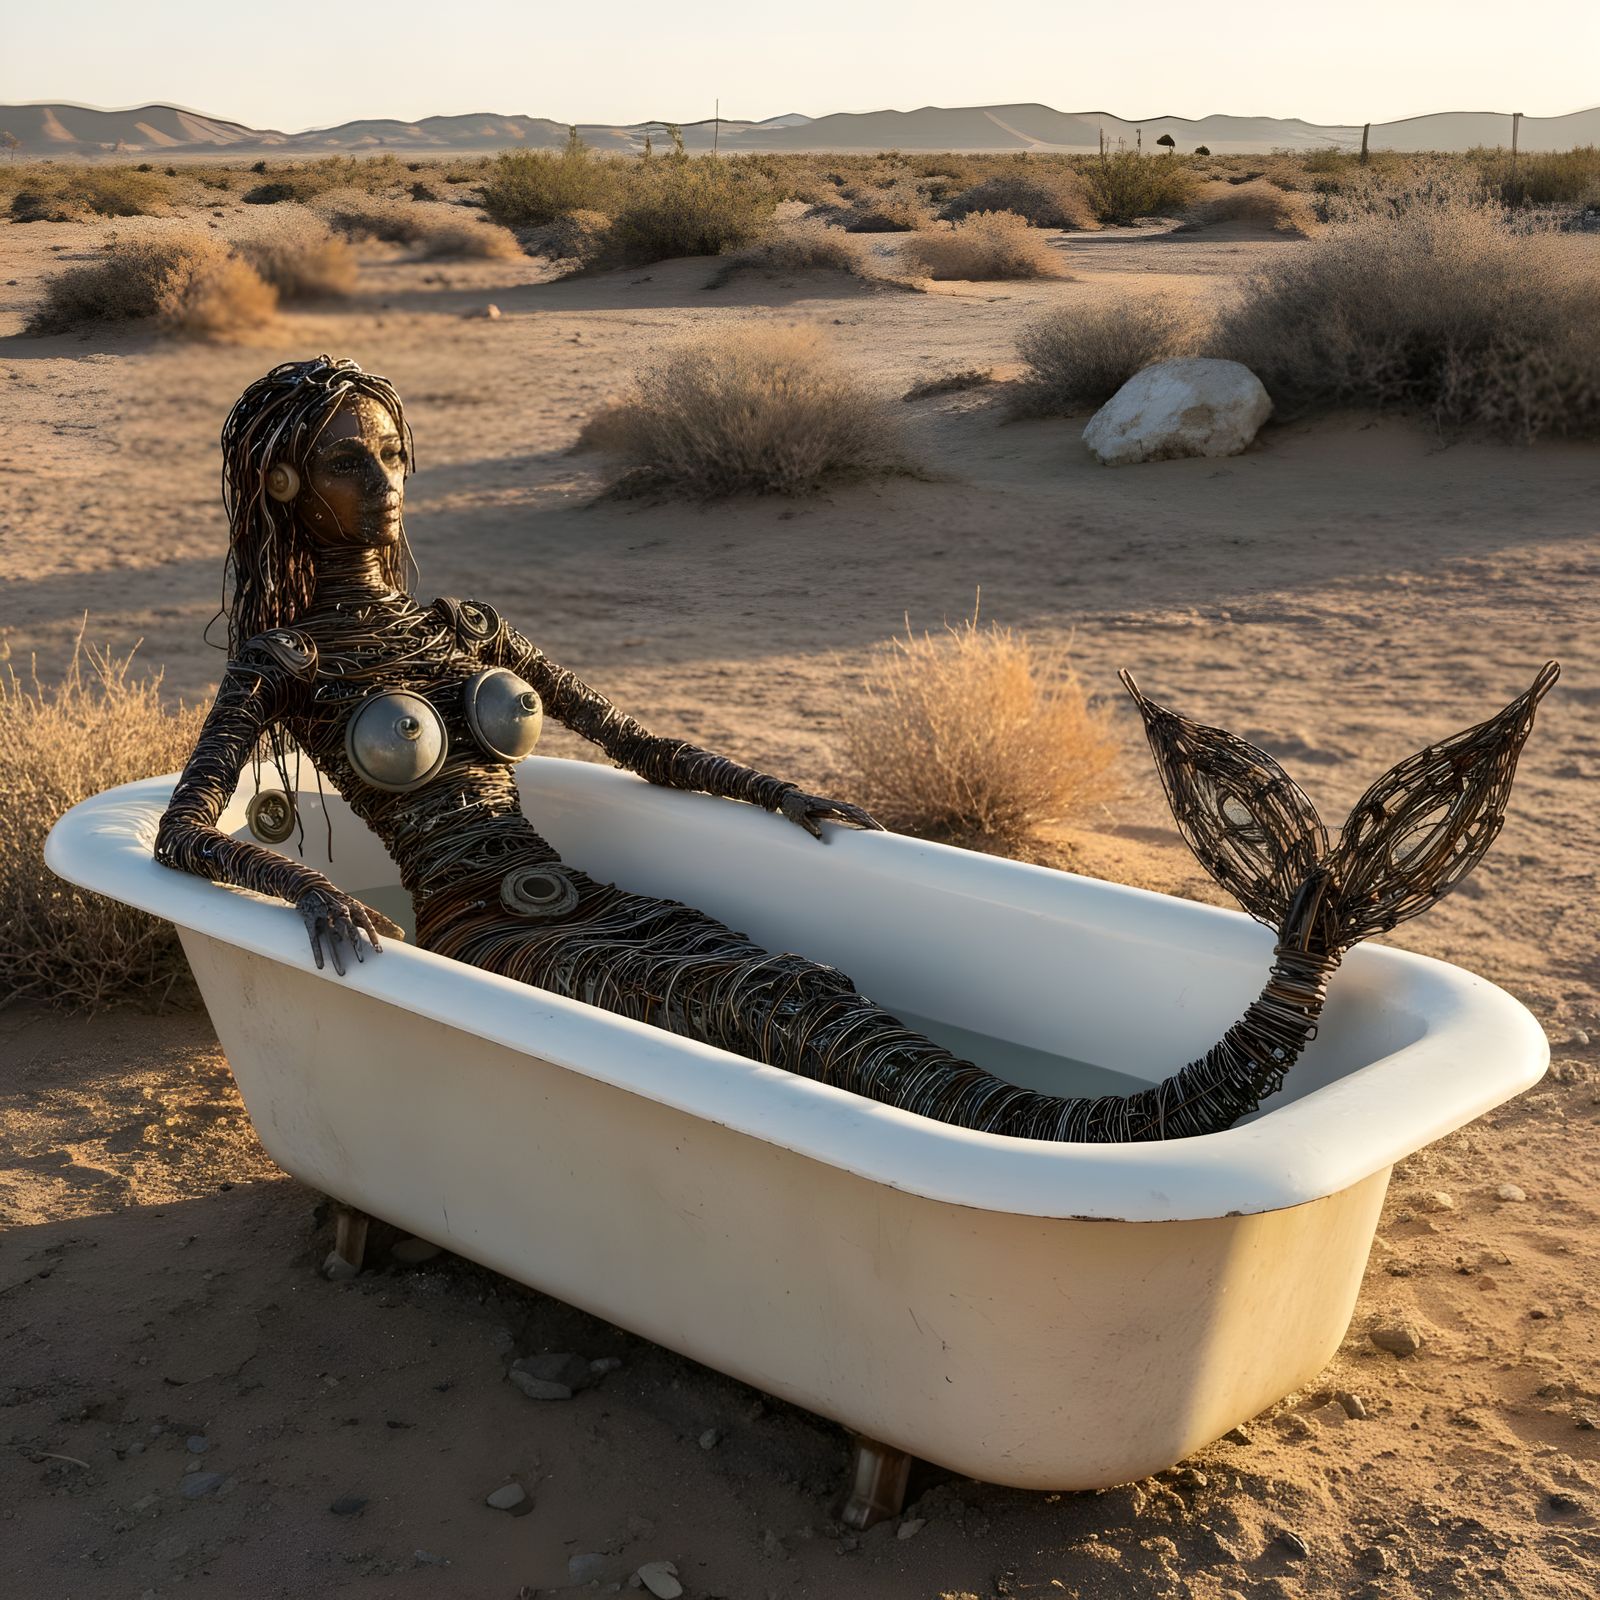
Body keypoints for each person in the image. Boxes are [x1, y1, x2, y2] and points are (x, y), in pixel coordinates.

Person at [155, 356, 1557, 1144]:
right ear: (286, 484)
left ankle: (1090, 1119)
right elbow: (183, 834)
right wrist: (313, 892)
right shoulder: (288, 665)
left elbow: (630, 741)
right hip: (470, 928)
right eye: (350, 458)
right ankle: (1050, 1137)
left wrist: (784, 800)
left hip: (577, 892)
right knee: (759, 1016)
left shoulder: (463, 621)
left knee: (794, 980)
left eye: (396, 448)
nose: (386, 476)